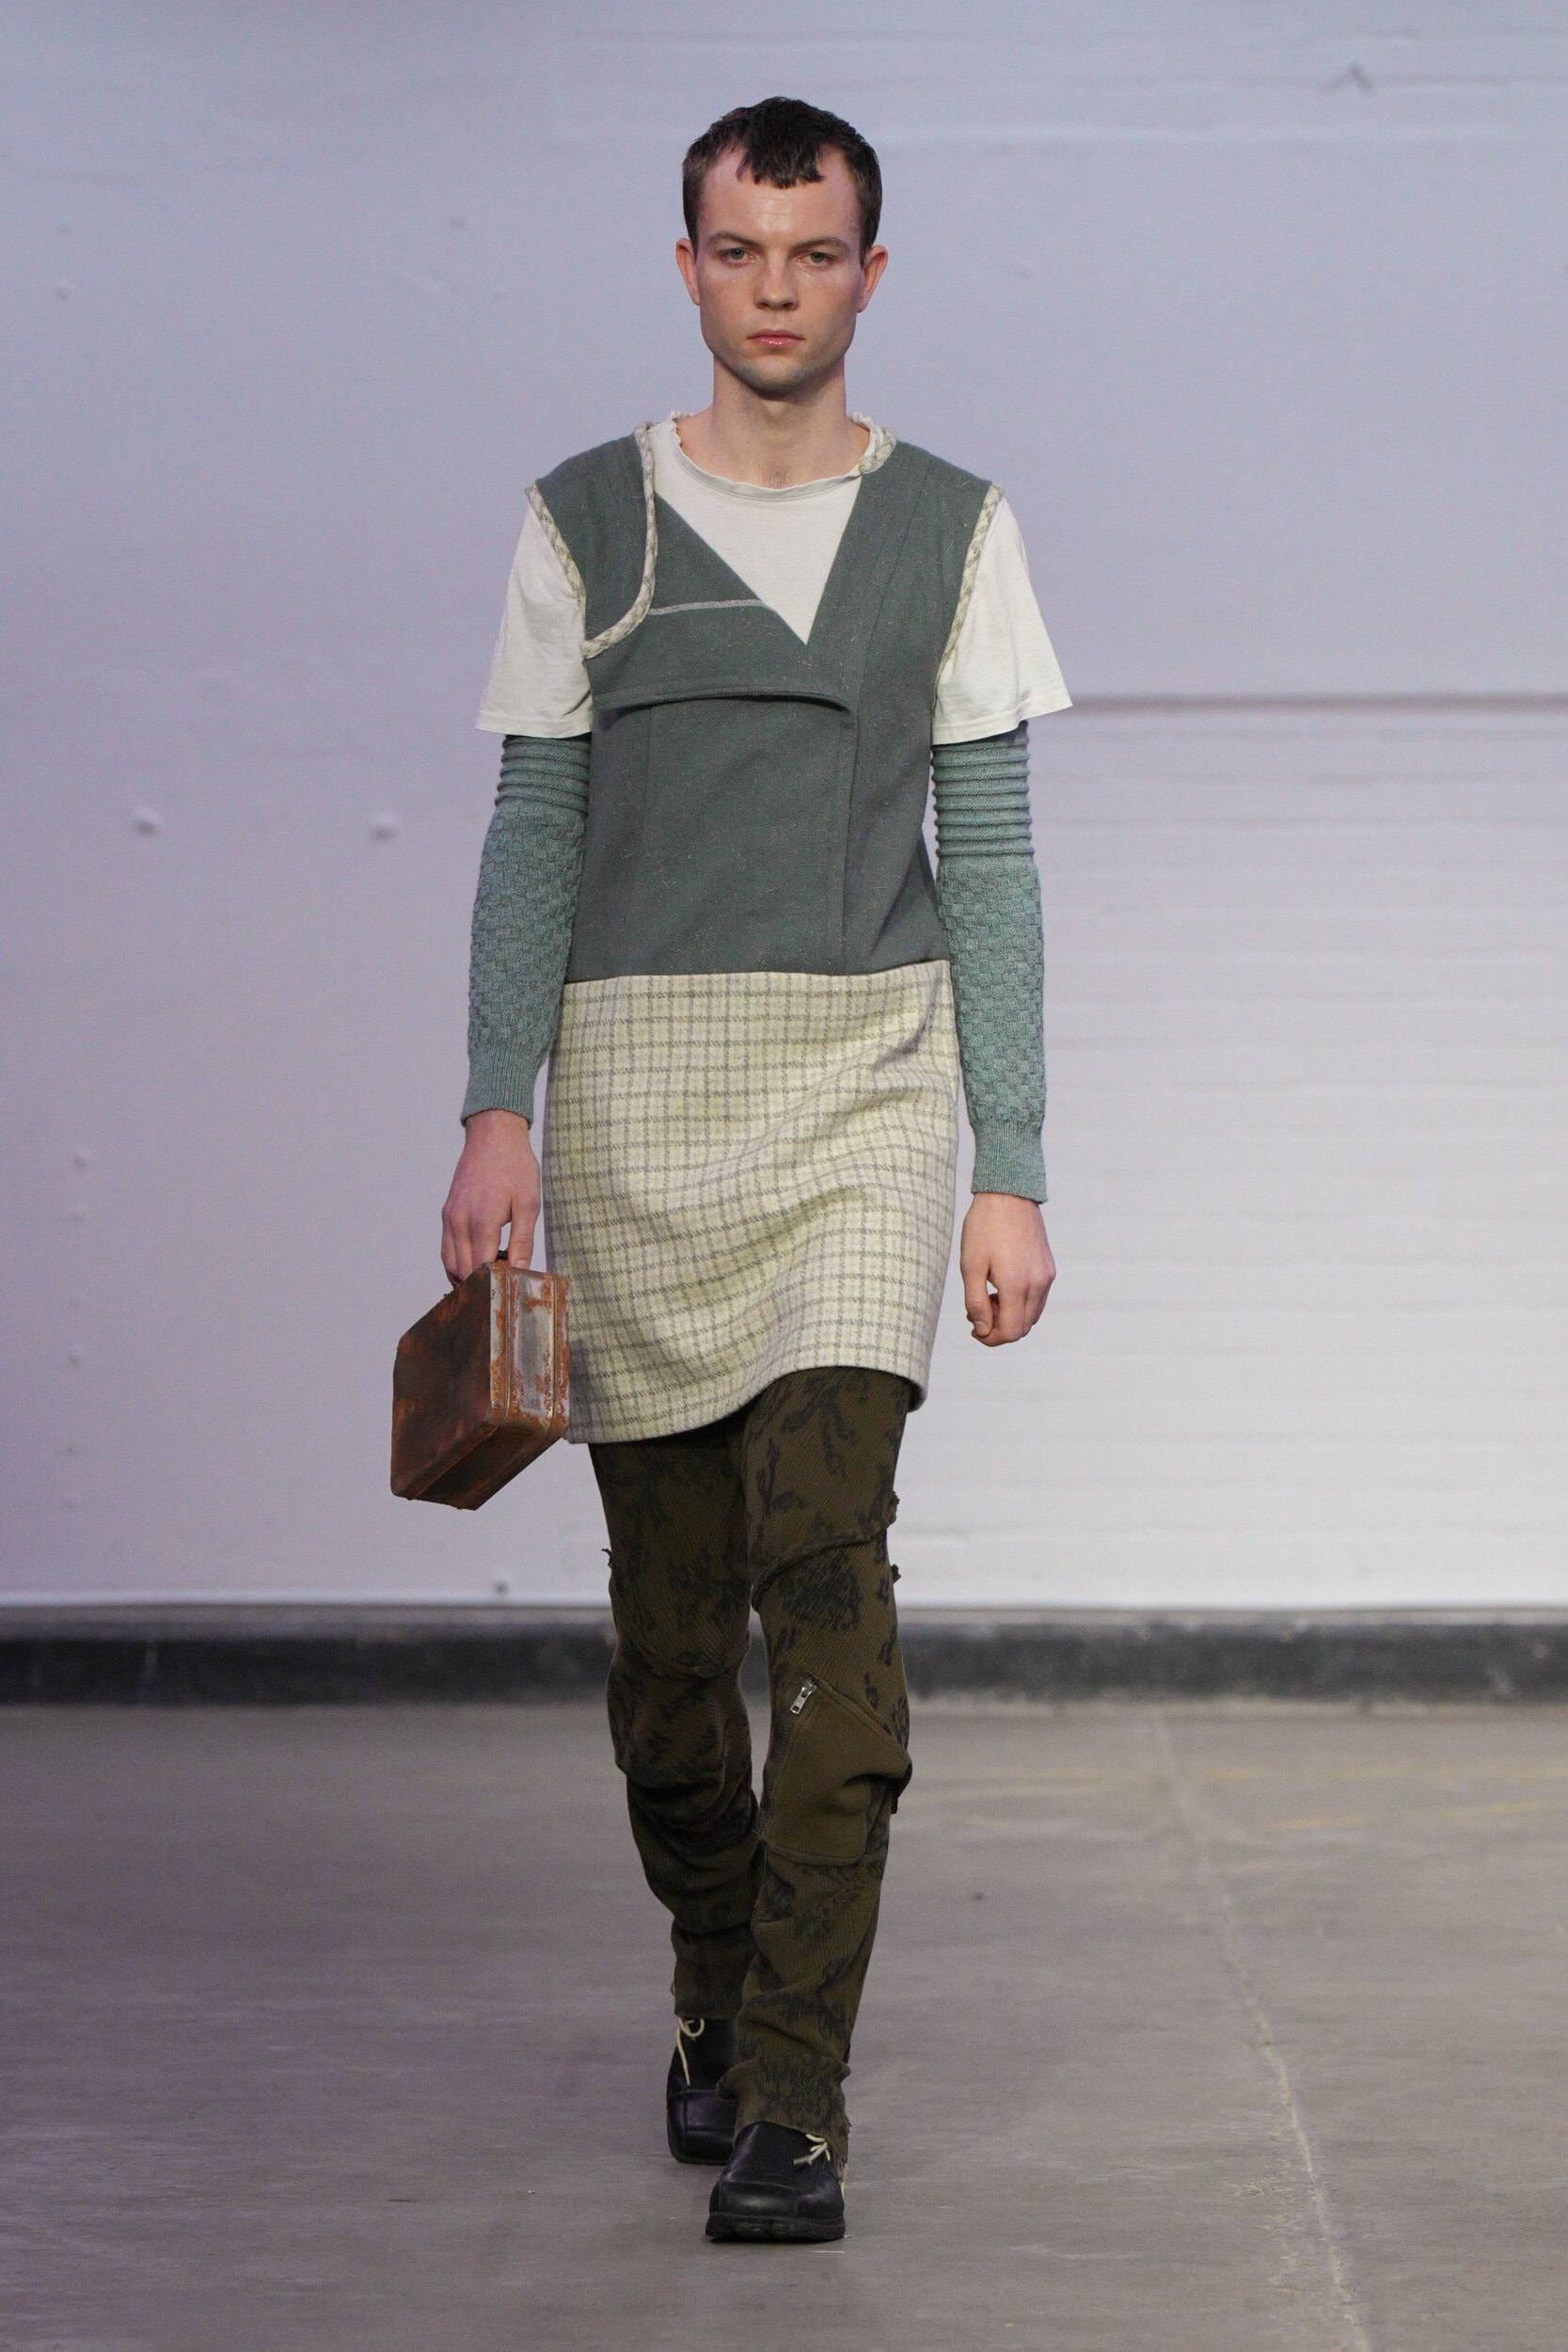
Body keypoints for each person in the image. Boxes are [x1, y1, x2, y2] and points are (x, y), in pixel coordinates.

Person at [440, 96, 1066, 2245]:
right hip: (633, 1106)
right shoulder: (584, 521)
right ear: (688, 264)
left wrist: (1010, 1161)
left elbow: (991, 856)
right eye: (739, 248)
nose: (776, 287)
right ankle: (714, 1984)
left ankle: (798, 2086)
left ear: (871, 272)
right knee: (666, 1657)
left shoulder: (956, 528)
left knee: (832, 1592)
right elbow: (536, 821)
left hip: (868, 1100)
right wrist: (495, 1104)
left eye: (814, 252)